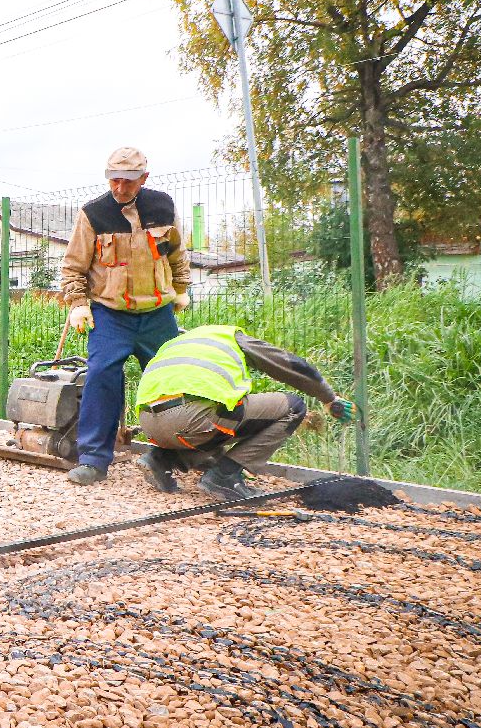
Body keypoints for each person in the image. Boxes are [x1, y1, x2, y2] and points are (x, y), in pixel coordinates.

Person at [59, 146, 191, 486]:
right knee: (102, 376)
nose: (120, 188)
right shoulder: (93, 214)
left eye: (128, 182)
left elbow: (177, 252)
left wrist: (181, 287)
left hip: (157, 314)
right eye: (114, 180)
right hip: (110, 314)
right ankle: (93, 459)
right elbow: (73, 265)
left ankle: (170, 455)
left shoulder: (162, 207)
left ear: (143, 178)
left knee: (171, 383)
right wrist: (78, 304)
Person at [133, 324, 358, 499]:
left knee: (223, 419)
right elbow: (291, 366)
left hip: (150, 425)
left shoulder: (177, 346)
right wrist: (329, 399)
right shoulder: (230, 337)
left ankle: (162, 460)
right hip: (194, 420)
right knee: (294, 407)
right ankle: (224, 476)